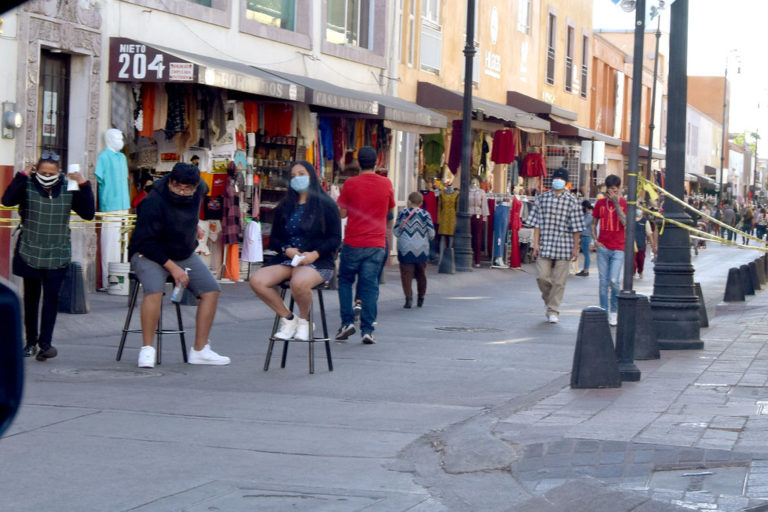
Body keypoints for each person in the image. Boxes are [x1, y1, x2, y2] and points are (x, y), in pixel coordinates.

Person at [127, 162, 230, 368]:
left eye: (187, 189)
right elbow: (144, 242)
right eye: (178, 187)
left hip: (183, 252)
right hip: (149, 253)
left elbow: (199, 196)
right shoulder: (153, 201)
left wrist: (194, 229)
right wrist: (172, 268)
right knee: (154, 290)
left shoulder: (200, 187)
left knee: (211, 290)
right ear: (170, 182)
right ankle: (147, 349)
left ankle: (200, 350)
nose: (182, 192)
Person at [2, 153, 95, 360]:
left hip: (57, 252)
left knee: (51, 299)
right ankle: (30, 342)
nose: (46, 176)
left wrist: (83, 183)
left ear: (59, 173)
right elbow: (7, 201)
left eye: (51, 173)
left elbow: (88, 213)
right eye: (43, 172)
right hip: (30, 250)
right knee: (31, 299)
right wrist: (22, 174)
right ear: (36, 170)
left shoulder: (68, 185)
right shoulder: (27, 183)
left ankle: (46, 344)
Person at [249, 161, 341, 340]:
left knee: (298, 283)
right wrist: (287, 249)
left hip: (318, 260)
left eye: (301, 174)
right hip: (289, 259)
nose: (297, 179)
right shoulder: (285, 206)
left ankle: (305, 321)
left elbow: (335, 239)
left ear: (311, 177)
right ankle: (288, 318)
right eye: (293, 176)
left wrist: (314, 254)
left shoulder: (326, 205)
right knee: (257, 281)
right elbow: (274, 240)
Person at [335, 146, 395, 344]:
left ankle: (347, 322)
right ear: (377, 162)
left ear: (359, 162)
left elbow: (342, 213)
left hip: (353, 241)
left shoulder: (350, 184)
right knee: (370, 286)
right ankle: (368, 330)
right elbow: (389, 213)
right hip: (376, 243)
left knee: (345, 281)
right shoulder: (386, 184)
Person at [526, 168, 584, 324]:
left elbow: (576, 228)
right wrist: (535, 244)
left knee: (559, 281)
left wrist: (575, 248)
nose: (558, 180)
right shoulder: (542, 198)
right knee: (542, 277)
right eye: (556, 178)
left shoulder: (572, 201)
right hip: (545, 243)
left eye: (561, 178)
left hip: (564, 245)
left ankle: (553, 310)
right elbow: (536, 223)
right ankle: (549, 301)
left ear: (566, 182)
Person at [95, 128, 130, 290]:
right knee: (110, 243)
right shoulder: (103, 157)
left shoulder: (122, 158)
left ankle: (121, 281)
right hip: (110, 205)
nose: (120, 141)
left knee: (123, 243)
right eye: (116, 138)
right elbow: (99, 178)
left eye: (121, 138)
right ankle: (109, 282)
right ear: (109, 139)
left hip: (124, 205)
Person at [592, 174, 627, 327]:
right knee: (602, 282)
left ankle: (614, 310)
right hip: (603, 248)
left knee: (614, 280)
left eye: (615, 190)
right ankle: (603, 312)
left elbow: (625, 222)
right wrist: (596, 241)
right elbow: (593, 224)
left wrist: (616, 203)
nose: (613, 192)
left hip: (619, 248)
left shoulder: (624, 203)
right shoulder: (599, 204)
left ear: (619, 189)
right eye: (610, 190)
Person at [393, 192, 435, 308]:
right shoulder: (425, 214)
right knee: (421, 274)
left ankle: (408, 299)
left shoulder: (402, 213)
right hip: (421, 249)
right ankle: (421, 297)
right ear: (421, 203)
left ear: (409, 201)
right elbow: (431, 233)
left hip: (405, 248)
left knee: (406, 274)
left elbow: (396, 231)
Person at [633, 208, 655, 278]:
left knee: (641, 260)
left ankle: (640, 271)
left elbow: (649, 234)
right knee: (633, 260)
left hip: (642, 244)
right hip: (632, 244)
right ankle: (632, 273)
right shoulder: (630, 219)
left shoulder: (645, 221)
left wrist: (653, 246)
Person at [576, 200, 593, 276]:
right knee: (585, 254)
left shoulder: (589, 216)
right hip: (583, 236)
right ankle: (585, 269)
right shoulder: (585, 215)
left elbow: (583, 224)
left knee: (586, 254)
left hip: (586, 236)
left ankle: (586, 270)